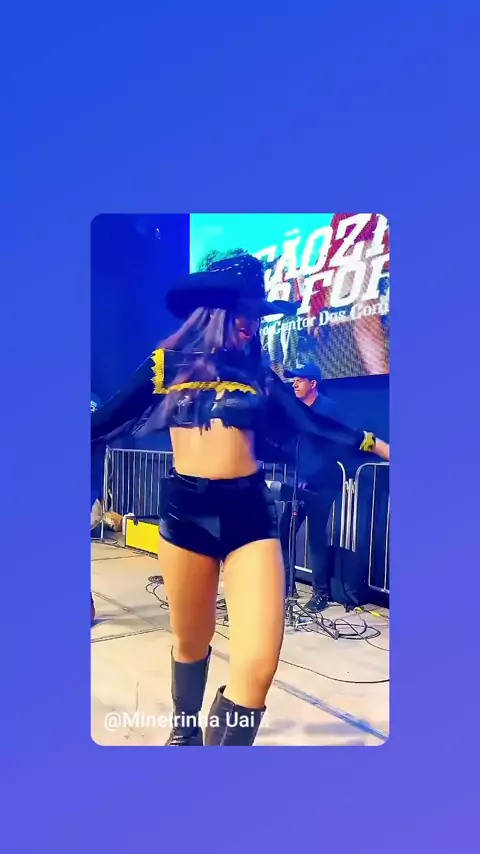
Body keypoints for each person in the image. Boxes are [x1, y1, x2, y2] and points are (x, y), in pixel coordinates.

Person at [91, 253, 389, 747]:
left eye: (258, 314)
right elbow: (103, 422)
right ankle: (185, 732)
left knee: (258, 667)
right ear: (217, 311)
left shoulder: (260, 373)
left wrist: (379, 446)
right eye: (246, 312)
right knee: (191, 643)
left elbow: (311, 422)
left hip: (250, 514)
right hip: (186, 513)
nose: (254, 323)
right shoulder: (166, 364)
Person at [279, 364, 389, 612]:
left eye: (299, 380)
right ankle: (286, 587)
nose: (294, 384)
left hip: (323, 485)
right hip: (299, 484)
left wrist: (383, 450)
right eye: (293, 380)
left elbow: (355, 438)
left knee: (316, 538)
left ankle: (320, 593)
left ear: (313, 384)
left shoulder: (330, 410)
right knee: (284, 533)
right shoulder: (296, 411)